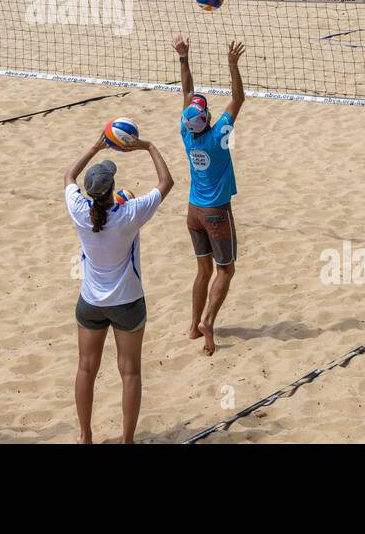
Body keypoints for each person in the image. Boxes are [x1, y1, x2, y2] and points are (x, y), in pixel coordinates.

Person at [63, 133, 174, 444]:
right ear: (113, 189)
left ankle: (85, 436)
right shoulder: (130, 213)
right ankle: (127, 440)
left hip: (91, 302)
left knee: (86, 369)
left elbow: (69, 175)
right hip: (127, 303)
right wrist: (149, 146)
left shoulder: (80, 210)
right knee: (130, 373)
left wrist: (95, 146)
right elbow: (166, 182)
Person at [173, 36, 245, 355]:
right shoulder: (218, 137)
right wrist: (232, 65)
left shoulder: (187, 133)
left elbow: (187, 93)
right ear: (207, 118)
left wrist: (184, 57)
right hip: (216, 212)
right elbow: (238, 98)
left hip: (193, 213)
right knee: (225, 270)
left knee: (202, 270)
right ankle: (208, 322)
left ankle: (192, 327)